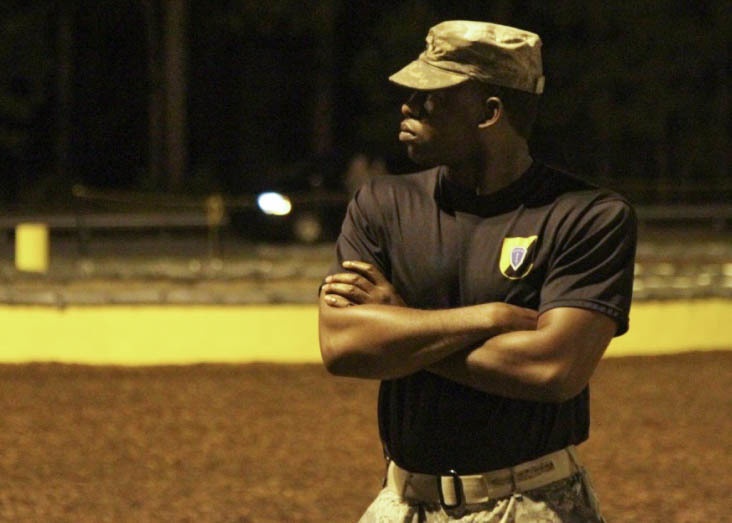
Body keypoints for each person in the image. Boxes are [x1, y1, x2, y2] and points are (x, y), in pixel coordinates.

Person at [318, 20, 636, 522]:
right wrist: (487, 318)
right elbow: (343, 346)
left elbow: (552, 370)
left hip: (532, 502)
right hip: (404, 501)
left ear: (490, 113)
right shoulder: (381, 202)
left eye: (433, 95)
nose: (408, 105)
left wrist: (401, 327)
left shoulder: (589, 215)